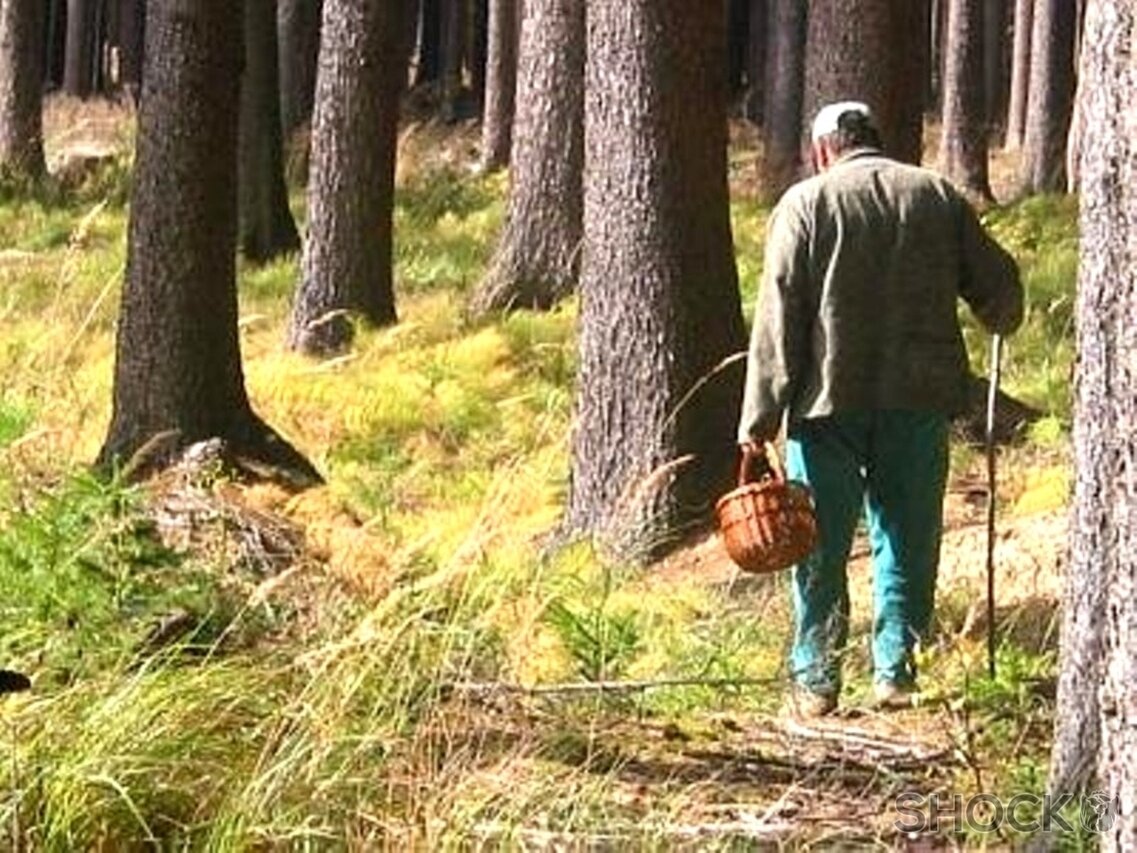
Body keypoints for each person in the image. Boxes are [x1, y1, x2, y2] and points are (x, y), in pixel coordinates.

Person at [738, 101, 1023, 717]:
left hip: (824, 408)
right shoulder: (935, 196)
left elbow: (778, 319)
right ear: (874, 138)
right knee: (909, 539)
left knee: (819, 545)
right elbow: (1000, 289)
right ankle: (896, 673)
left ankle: (816, 682)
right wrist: (1003, 311)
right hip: (917, 401)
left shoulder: (806, 205)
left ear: (822, 151)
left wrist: (758, 419)